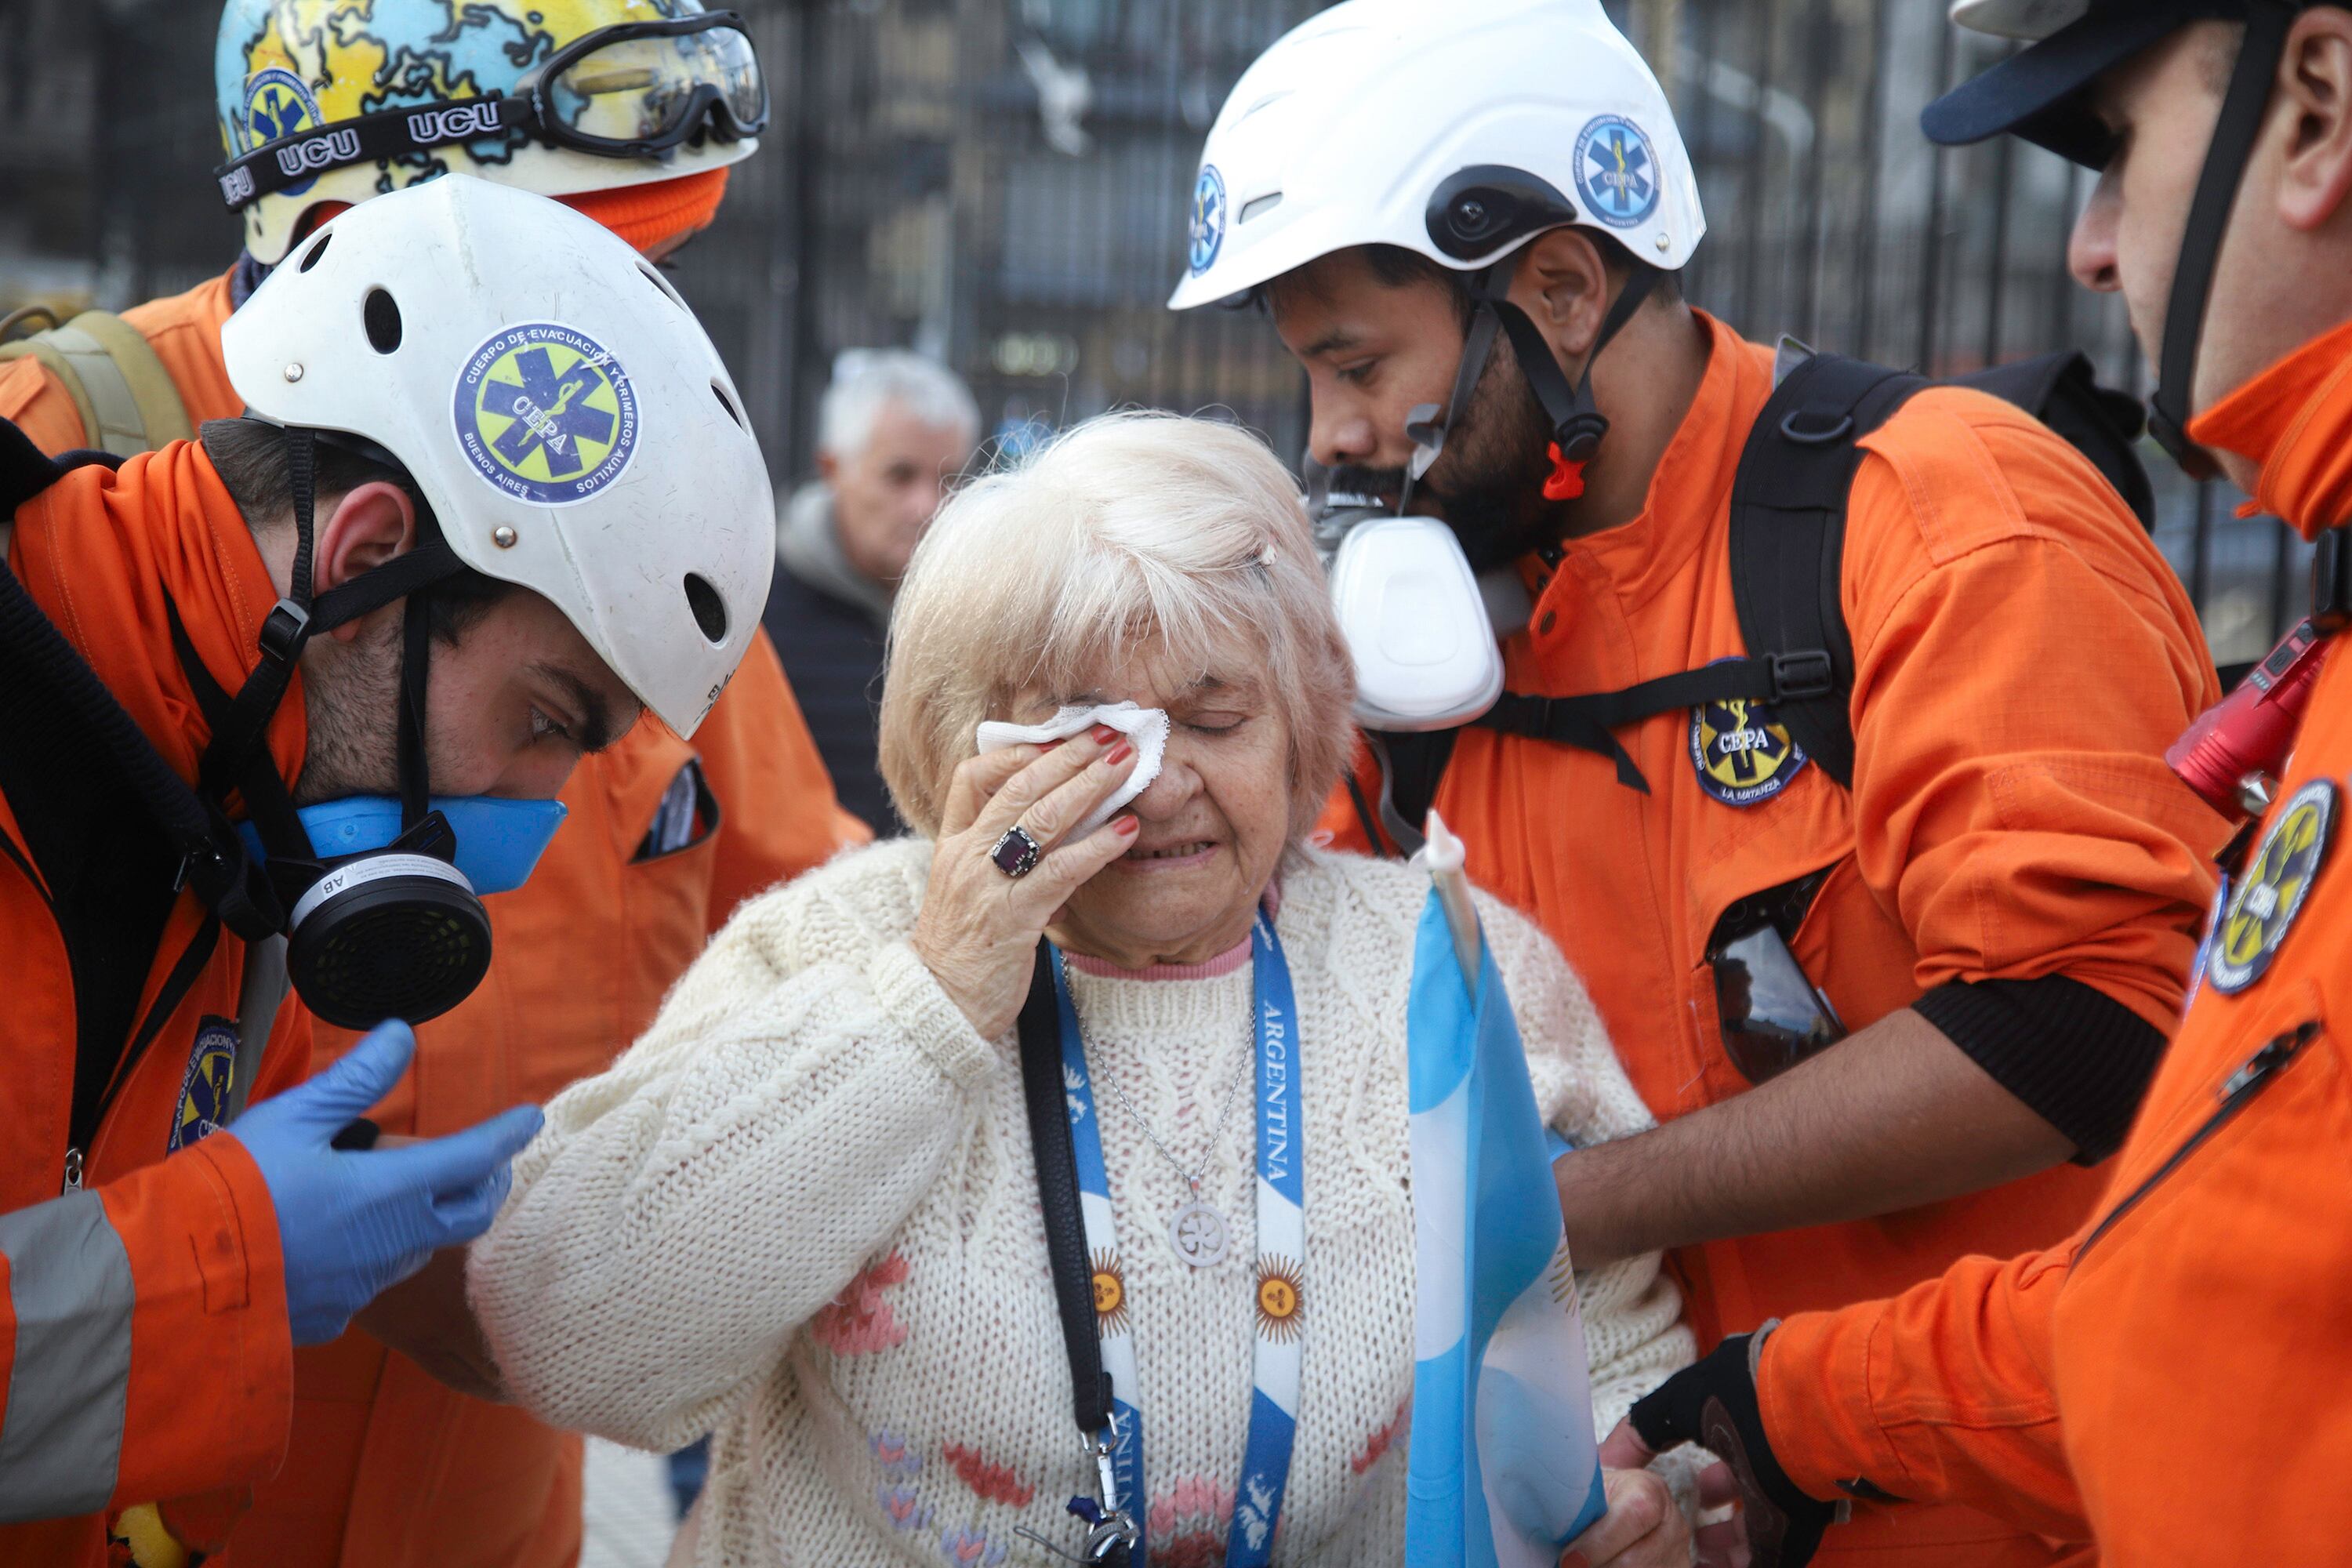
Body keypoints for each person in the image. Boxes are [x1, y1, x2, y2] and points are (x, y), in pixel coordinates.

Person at [1168, 2, 2230, 1560]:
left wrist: (1565, 1207)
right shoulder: (1429, 632)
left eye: (1355, 366)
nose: (1329, 438)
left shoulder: (1943, 514)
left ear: (1562, 289)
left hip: (1991, 1515)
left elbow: (2080, 1024)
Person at [470, 412, 1703, 1568]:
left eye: (1215, 720)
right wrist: (937, 995)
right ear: (965, 744)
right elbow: (570, 1338)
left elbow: (1603, 1327)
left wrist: (1639, 1493)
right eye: (1093, 734)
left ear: (1303, 725)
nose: (1160, 786)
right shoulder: (834, 946)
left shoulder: (1438, 959)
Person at [0, 5, 867, 1563]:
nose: (617, 330)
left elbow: (814, 907)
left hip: (466, 1495)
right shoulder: (96, 545)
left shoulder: (582, 559)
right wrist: (225, 1264)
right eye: (564, 266)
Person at [1610, 4, 2352, 1564]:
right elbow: (2231, 1269)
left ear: (2321, 104)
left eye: (2117, 148)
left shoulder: (1933, 507)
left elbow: (2084, 1039)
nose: (2091, 246)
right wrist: (1814, 1403)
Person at [764, 348, 982, 832]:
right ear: (832, 469)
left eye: (951, 479)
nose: (928, 505)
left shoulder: (981, 614)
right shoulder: (753, 611)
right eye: (900, 475)